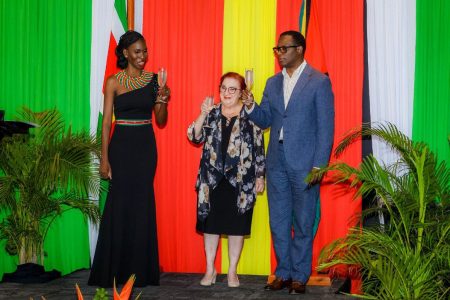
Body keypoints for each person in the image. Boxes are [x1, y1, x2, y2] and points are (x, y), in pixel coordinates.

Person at [242, 31, 334, 294]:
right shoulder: (272, 83)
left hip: (306, 164)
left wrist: (320, 165)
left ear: (300, 49)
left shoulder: (318, 82)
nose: (280, 53)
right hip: (277, 162)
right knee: (278, 221)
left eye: (284, 48)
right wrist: (250, 106)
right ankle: (282, 272)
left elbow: (326, 128)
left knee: (303, 221)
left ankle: (300, 276)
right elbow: (265, 120)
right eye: (277, 49)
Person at [88, 30, 170, 288]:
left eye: (145, 51)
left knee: (142, 204)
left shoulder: (155, 80)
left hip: (145, 147)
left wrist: (162, 98)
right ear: (125, 53)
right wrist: (104, 159)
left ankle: (141, 271)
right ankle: (114, 270)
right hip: (121, 147)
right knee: (119, 205)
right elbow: (105, 126)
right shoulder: (113, 81)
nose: (143, 56)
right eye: (137, 51)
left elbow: (160, 120)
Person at [187, 72, 266, 288]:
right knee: (210, 226)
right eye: (223, 88)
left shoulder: (250, 114)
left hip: (241, 180)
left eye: (232, 89)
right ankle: (210, 269)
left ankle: (232, 271)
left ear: (241, 92)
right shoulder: (211, 113)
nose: (227, 93)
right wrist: (202, 114)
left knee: (236, 227)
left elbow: (259, 146)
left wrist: (260, 175)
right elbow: (194, 136)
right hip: (211, 179)